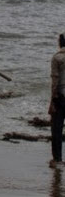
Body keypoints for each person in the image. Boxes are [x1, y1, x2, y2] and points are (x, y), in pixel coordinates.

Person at [49, 33, 65, 166]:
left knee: (57, 128)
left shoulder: (57, 57)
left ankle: (57, 159)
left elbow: (55, 80)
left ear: (60, 43)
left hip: (61, 96)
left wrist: (52, 101)